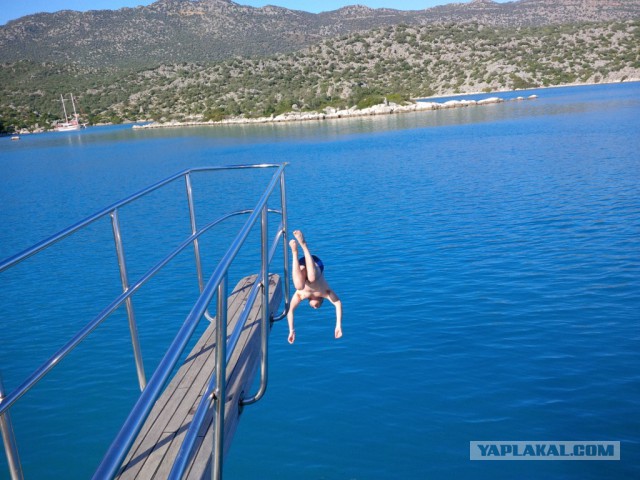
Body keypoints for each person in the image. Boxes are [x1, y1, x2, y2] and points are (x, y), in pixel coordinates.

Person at [287, 230, 342, 344]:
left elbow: (290, 311)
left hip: (302, 266)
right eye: (319, 307)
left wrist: (291, 330)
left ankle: (294, 253)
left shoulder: (301, 295)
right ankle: (304, 245)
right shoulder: (325, 292)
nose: (316, 308)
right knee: (312, 278)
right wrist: (338, 326)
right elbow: (337, 304)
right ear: (321, 300)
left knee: (299, 285)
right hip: (316, 264)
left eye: (313, 308)